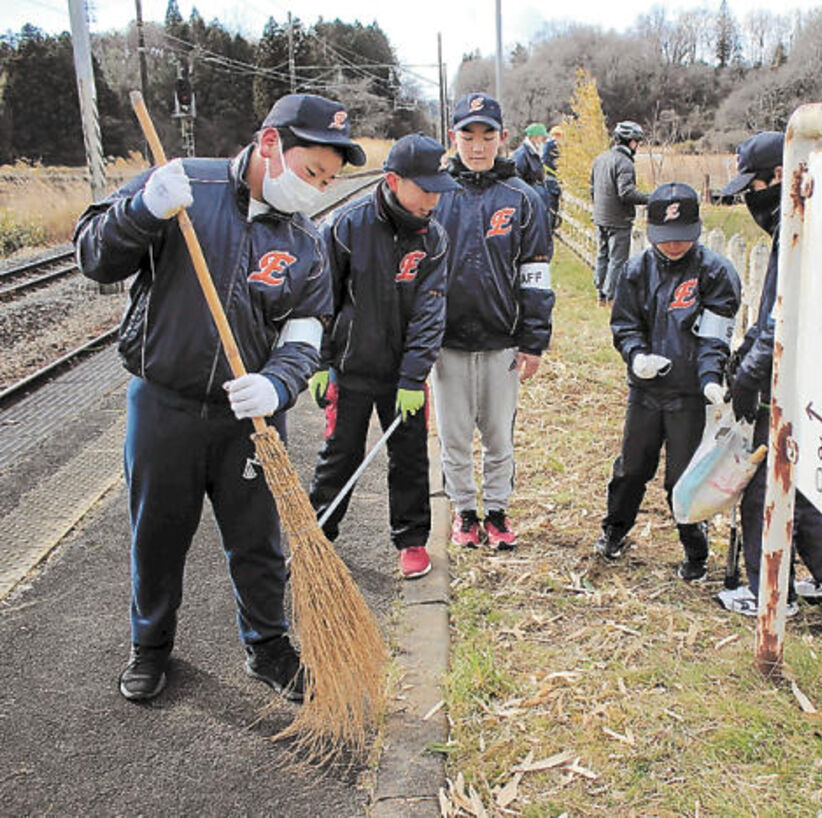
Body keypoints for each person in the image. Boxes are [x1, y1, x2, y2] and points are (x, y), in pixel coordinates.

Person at [74, 93, 366, 702]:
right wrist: (143, 210)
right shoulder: (184, 185)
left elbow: (307, 331)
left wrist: (278, 384)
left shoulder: (305, 243)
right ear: (268, 144)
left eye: (329, 180)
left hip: (249, 418)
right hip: (165, 405)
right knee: (157, 533)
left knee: (258, 539)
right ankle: (150, 647)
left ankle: (268, 646)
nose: (317, 189)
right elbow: (95, 258)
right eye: (312, 172)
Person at [715, 131, 822, 617]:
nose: (748, 200)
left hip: (792, 370)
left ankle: (769, 594)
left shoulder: (799, 224)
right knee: (791, 466)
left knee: (763, 477)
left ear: (779, 176)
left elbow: (783, 314)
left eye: (753, 186)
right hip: (815, 366)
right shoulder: (809, 215)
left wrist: (749, 375)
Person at [307, 134, 458, 581]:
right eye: (425, 189)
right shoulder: (346, 226)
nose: (433, 199)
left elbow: (431, 313)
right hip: (350, 371)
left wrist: (413, 378)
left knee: (410, 458)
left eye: (438, 190)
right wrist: (320, 363)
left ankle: (412, 540)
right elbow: (320, 300)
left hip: (402, 379)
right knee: (340, 453)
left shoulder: (434, 239)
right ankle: (318, 535)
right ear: (393, 180)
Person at [593, 182, 740, 582]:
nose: (674, 246)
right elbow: (625, 324)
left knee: (682, 478)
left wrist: (710, 378)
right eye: (665, 239)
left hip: (690, 397)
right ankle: (614, 532)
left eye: (682, 239)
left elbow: (715, 334)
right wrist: (637, 356)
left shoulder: (715, 274)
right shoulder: (636, 270)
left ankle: (695, 551)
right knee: (631, 467)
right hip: (645, 391)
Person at [432, 93, 554, 551]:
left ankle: (498, 511)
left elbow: (536, 275)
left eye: (487, 135)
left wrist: (533, 341)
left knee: (499, 435)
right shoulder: (436, 194)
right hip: (447, 345)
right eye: (468, 135)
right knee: (455, 436)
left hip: (503, 342)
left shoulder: (523, 198)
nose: (478, 146)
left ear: (503, 138)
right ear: (454, 138)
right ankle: (464, 512)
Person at [590, 120, 649, 306]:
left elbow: (593, 188)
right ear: (631, 142)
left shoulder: (600, 159)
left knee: (602, 256)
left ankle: (600, 294)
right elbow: (626, 193)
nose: (637, 146)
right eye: (636, 142)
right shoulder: (625, 163)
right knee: (617, 259)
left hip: (600, 216)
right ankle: (611, 298)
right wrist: (651, 198)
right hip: (618, 219)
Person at [512, 122, 551, 225]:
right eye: (543, 138)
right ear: (534, 138)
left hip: (537, 198)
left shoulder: (534, 153)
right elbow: (517, 180)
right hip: (530, 202)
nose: (545, 141)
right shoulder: (521, 155)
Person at [542, 125, 563, 230]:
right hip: (551, 180)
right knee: (551, 206)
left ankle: (550, 229)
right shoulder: (550, 145)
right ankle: (549, 230)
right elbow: (546, 161)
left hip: (553, 180)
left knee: (553, 206)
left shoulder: (549, 145)